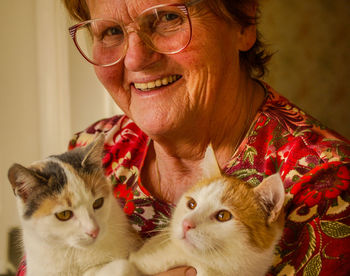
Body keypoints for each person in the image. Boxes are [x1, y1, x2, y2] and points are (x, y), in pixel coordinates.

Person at [17, 0, 350, 275]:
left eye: (167, 18)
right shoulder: (95, 149)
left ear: (243, 21)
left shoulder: (329, 185)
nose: (135, 58)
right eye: (112, 31)